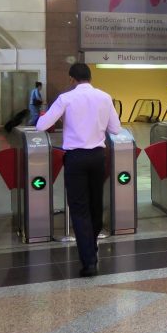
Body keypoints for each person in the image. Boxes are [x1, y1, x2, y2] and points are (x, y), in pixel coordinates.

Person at [36, 63, 121, 277]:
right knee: (95, 206)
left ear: (72, 79)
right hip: (98, 157)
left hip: (75, 158)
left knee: (79, 209)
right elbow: (116, 129)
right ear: (90, 78)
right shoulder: (105, 97)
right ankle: (92, 249)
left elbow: (42, 125)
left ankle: (89, 261)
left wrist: (46, 114)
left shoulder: (66, 98)